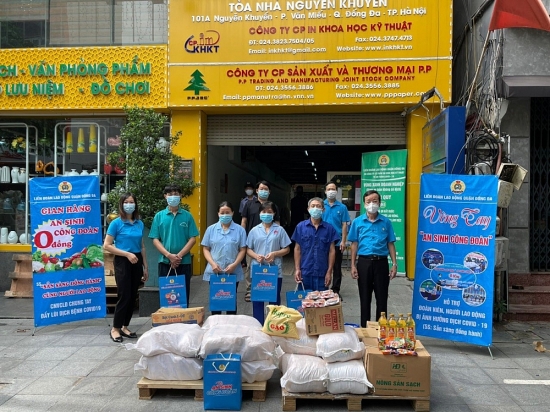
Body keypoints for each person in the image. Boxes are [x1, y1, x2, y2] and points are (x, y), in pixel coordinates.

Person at [103, 193, 148, 343]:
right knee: (124, 295)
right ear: (122, 204)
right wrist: (127, 254)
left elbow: (142, 246)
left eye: (132, 202)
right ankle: (115, 328)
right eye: (126, 202)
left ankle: (125, 326)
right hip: (123, 260)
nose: (129, 204)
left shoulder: (139, 223)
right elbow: (107, 245)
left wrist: (146, 267)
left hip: (137, 260)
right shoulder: (116, 223)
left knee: (133, 295)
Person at [349, 190, 397, 327]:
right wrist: (353, 265)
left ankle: (381, 328)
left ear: (379, 203)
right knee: (365, 297)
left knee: (382, 297)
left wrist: (394, 264)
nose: (372, 204)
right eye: (368, 201)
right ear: (364, 204)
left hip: (381, 263)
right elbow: (354, 244)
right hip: (364, 262)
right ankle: (365, 329)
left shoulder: (386, 222)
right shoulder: (358, 222)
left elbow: (390, 243)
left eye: (375, 201)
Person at [149, 185, 199, 307]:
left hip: (184, 262)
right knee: (167, 296)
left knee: (183, 296)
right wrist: (169, 256)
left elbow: (192, 239)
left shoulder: (187, 216)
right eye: (170, 194)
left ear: (181, 196)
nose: (173, 197)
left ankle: (183, 318)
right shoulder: (159, 216)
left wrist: (178, 256)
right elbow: (155, 239)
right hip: (164, 262)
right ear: (165, 196)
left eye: (176, 194)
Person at [246, 201, 291, 324]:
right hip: (258, 270)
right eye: (264, 212)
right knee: (257, 299)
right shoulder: (254, 230)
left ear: (274, 213)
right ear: (260, 213)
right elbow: (248, 249)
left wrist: (275, 254)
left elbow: (287, 249)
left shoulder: (279, 230)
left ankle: (274, 325)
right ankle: (258, 325)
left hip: (274, 270)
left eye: (269, 212)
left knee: (274, 299)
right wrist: (256, 256)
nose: (266, 214)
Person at [201, 201, 247, 315]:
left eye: (227, 212)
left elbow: (242, 250)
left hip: (232, 271)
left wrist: (234, 264)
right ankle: (216, 324)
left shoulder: (240, 230)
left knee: (230, 301)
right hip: (215, 271)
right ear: (218, 213)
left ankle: (230, 325)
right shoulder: (211, 229)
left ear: (232, 213)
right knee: (216, 300)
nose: (225, 215)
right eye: (222, 213)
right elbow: (206, 249)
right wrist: (213, 264)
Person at [241, 180, 280, 302]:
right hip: (252, 241)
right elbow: (244, 221)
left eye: (266, 189)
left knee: (269, 265)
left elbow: (277, 223)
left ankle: (269, 287)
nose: (263, 191)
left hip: (269, 240)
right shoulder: (249, 204)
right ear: (257, 191)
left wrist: (278, 239)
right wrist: (243, 237)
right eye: (261, 189)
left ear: (269, 192)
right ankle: (250, 290)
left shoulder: (273, 206)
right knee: (250, 266)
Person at [292, 197, 339, 291]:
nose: (315, 208)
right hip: (305, 272)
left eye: (318, 206)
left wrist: (329, 272)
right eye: (313, 206)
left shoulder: (329, 228)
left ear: (323, 209)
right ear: (308, 209)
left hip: (322, 273)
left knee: (321, 299)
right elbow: (297, 249)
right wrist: (297, 269)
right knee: (305, 299)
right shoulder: (301, 227)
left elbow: (332, 251)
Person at [322, 181, 350, 295]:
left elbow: (344, 225)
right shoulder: (321, 205)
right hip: (323, 241)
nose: (331, 191)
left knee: (337, 267)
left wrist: (343, 241)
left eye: (333, 189)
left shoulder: (342, 207)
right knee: (323, 265)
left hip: (337, 242)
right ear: (325, 191)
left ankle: (335, 290)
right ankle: (323, 288)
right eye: (329, 189)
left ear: (337, 191)